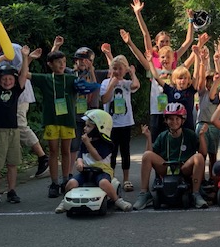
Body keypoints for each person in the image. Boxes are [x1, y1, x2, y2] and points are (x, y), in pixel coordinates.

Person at [30, 50, 98, 198]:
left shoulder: (71, 79)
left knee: (66, 151)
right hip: (51, 120)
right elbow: (25, 75)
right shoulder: (47, 78)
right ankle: (54, 182)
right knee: (53, 151)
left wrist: (91, 69)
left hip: (67, 120)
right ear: (50, 64)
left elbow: (92, 87)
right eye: (58, 62)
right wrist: (27, 58)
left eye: (64, 61)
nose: (62, 64)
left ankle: (66, 179)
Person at [0, 27, 49, 179]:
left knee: (20, 124)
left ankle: (42, 157)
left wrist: (30, 58)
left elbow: (21, 71)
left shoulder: (13, 48)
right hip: (2, 99)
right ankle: (4, 162)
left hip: (19, 95)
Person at [0, 46, 37, 206]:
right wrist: (4, 58)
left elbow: (23, 74)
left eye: (10, 79)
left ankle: (12, 190)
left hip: (13, 130)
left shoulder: (17, 90)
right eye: (4, 79)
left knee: (12, 162)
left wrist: (25, 57)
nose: (7, 82)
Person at [133, 103, 209, 210]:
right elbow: (150, 154)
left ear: (183, 120)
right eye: (171, 119)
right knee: (146, 155)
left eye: (177, 119)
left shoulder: (189, 134)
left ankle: (195, 193)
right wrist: (148, 137)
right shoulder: (162, 136)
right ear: (166, 120)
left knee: (199, 157)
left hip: (183, 168)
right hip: (166, 167)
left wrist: (201, 136)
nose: (174, 122)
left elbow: (203, 153)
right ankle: (144, 193)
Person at [55, 109, 132, 213]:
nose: (85, 128)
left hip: (102, 171)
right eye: (85, 125)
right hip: (86, 172)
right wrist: (80, 163)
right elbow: (80, 155)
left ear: (99, 128)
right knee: (70, 183)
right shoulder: (85, 141)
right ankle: (64, 201)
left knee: (104, 183)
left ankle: (117, 200)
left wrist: (88, 143)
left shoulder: (106, 144)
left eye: (88, 126)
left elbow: (97, 157)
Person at [100, 54, 140, 192]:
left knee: (125, 151)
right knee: (111, 151)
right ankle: (110, 177)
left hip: (125, 123)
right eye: (114, 68)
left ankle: (126, 179)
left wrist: (132, 73)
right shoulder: (106, 83)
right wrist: (112, 84)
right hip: (110, 125)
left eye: (120, 69)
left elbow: (136, 85)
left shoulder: (127, 84)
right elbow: (104, 100)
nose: (117, 71)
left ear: (125, 69)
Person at [130, 0, 194, 69]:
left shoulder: (174, 55)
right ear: (156, 42)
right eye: (162, 41)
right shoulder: (152, 55)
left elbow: (189, 40)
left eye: (167, 41)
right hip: (156, 79)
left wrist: (191, 19)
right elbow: (145, 34)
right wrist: (138, 13)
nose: (164, 44)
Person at [195, 48, 220, 184]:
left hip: (214, 126)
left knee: (212, 155)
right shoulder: (202, 91)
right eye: (208, 80)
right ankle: (201, 178)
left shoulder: (216, 95)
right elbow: (200, 78)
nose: (210, 82)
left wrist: (217, 62)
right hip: (202, 124)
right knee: (201, 154)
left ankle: (212, 177)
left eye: (213, 80)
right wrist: (202, 61)